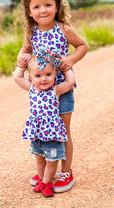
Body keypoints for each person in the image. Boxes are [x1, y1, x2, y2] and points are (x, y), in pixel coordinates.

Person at [17, 0, 88, 193]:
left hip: (62, 90)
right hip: (41, 93)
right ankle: (46, 171)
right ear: (29, 12)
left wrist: (71, 59)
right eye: (36, 7)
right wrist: (21, 56)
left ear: (56, 6)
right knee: (42, 130)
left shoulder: (63, 29)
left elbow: (83, 46)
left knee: (63, 130)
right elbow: (25, 51)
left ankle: (66, 172)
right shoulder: (33, 34)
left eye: (47, 5)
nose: (43, 10)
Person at [13, 56, 75, 197]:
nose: (44, 79)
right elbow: (17, 77)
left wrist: (66, 68)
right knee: (39, 158)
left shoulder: (55, 90)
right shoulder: (31, 89)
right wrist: (22, 65)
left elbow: (70, 82)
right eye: (38, 76)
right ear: (30, 78)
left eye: (48, 74)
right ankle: (42, 180)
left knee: (52, 159)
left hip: (52, 133)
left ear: (54, 75)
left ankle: (47, 183)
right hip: (37, 133)